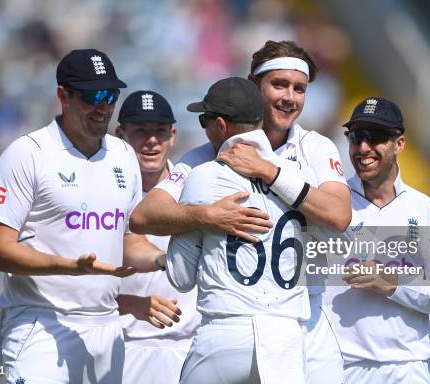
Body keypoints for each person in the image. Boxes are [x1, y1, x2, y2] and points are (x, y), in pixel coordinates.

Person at [131, 40, 351, 382]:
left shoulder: (316, 148)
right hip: (245, 320)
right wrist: (205, 216)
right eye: (279, 85)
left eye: (299, 89)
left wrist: (269, 171)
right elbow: (145, 215)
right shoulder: (208, 153)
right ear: (253, 85)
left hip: (306, 324)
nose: (289, 98)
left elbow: (339, 216)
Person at [0, 49, 165, 383]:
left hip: (108, 328)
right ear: (63, 95)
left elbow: (128, 241)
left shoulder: (124, 155)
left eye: (110, 96)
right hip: (41, 324)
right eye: (93, 96)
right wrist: (71, 267)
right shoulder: (28, 154)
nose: (103, 107)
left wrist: (164, 260)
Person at [166, 76, 312, 384]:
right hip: (287, 339)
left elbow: (180, 277)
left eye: (205, 120)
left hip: (224, 332)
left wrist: (194, 219)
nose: (204, 129)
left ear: (221, 125)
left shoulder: (204, 176)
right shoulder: (298, 176)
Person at [323, 97, 430, 383]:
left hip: (406, 367)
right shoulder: (329, 200)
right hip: (340, 366)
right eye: (356, 137)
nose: (363, 148)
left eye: (375, 137)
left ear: (399, 144)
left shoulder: (425, 208)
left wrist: (393, 283)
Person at [114, 90, 200, 384]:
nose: (151, 141)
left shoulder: (198, 190)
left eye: (159, 132)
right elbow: (80, 288)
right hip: (123, 346)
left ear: (173, 134)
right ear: (120, 134)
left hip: (191, 348)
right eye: (140, 131)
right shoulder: (103, 196)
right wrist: (131, 304)